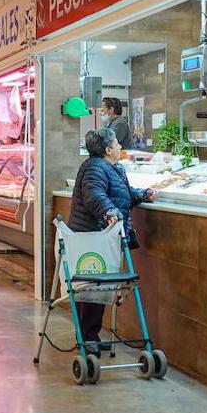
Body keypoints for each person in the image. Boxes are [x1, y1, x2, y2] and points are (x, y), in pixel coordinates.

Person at [67, 128, 157, 355]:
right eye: (117, 143)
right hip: (92, 236)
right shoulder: (95, 168)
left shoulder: (111, 168)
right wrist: (109, 211)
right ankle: (87, 337)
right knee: (91, 287)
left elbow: (121, 193)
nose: (120, 146)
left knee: (99, 287)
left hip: (102, 236)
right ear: (108, 149)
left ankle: (91, 335)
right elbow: (94, 195)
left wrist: (142, 194)